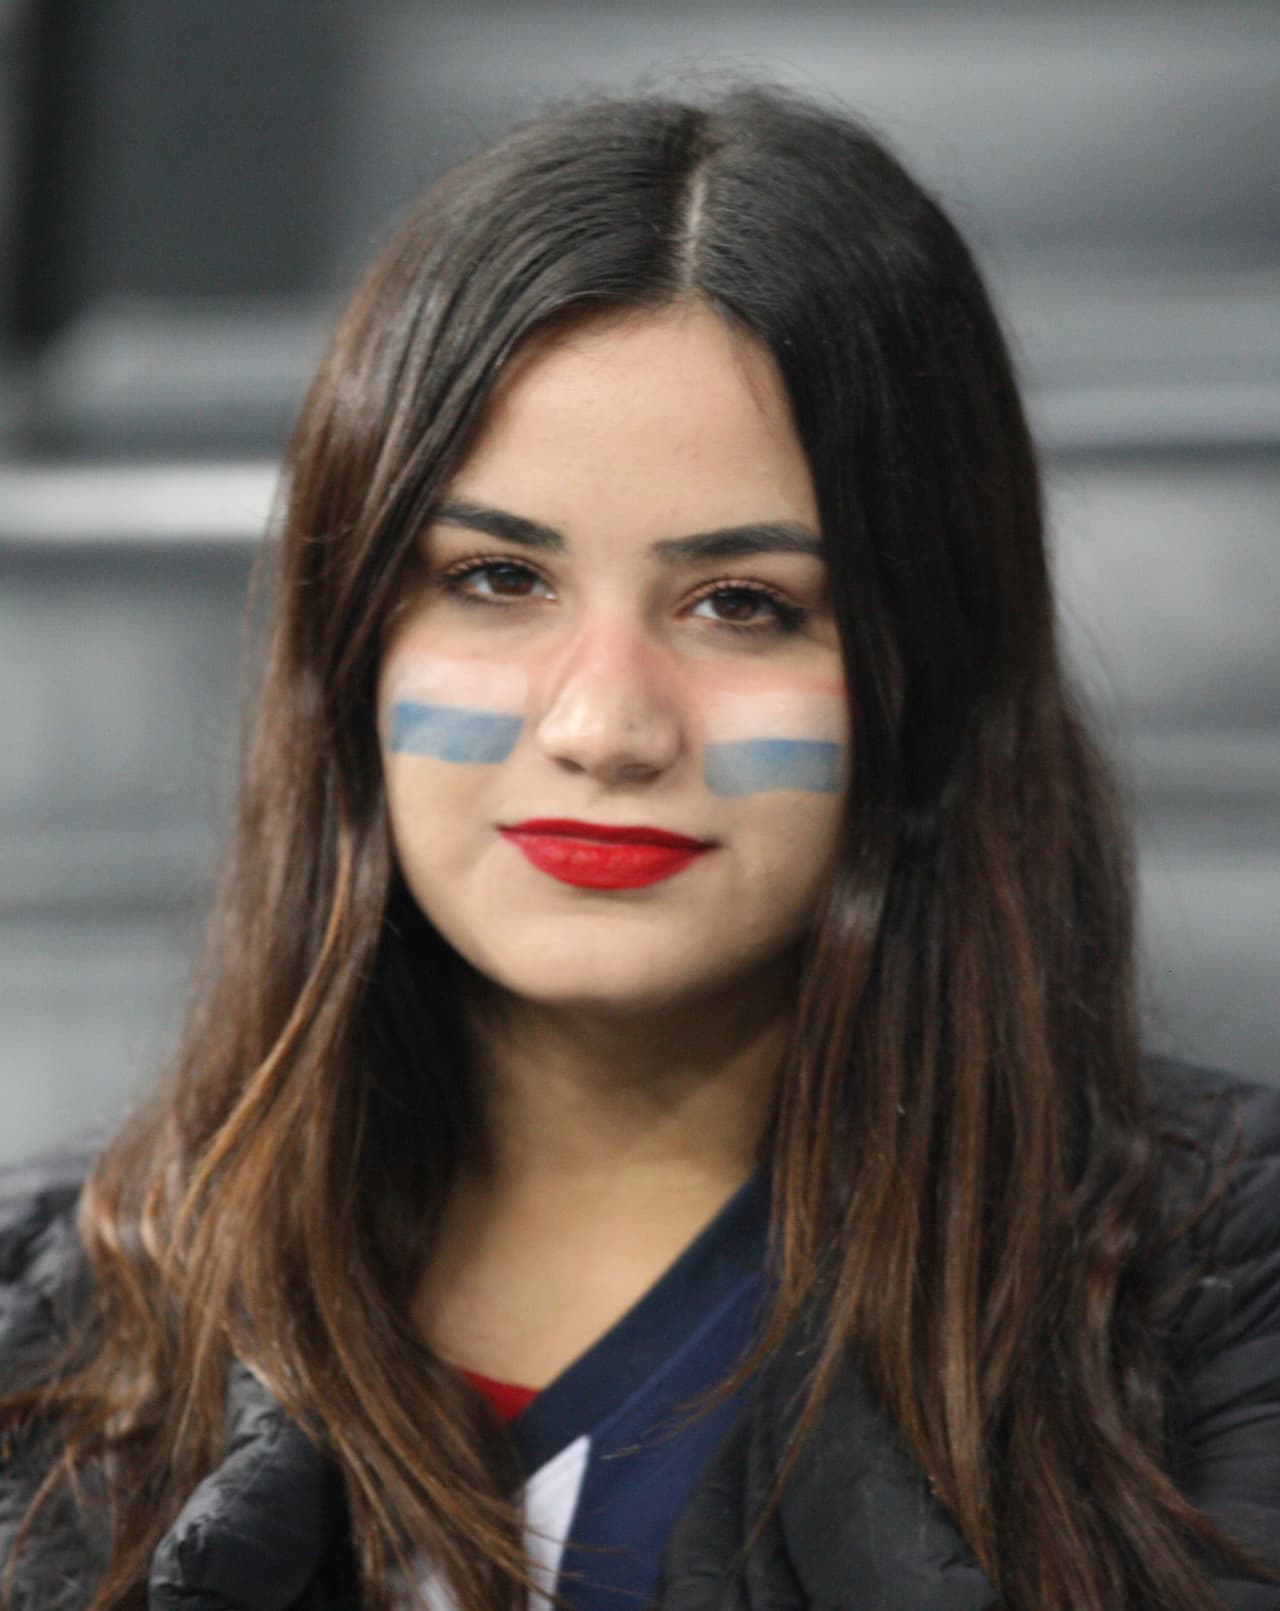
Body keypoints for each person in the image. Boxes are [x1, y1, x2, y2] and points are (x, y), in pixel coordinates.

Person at [2, 83, 1278, 1611]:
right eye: (494, 580)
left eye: (743, 604)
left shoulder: (1219, 1298)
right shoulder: (48, 1320)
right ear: (350, 653)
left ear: (921, 672)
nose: (605, 725)